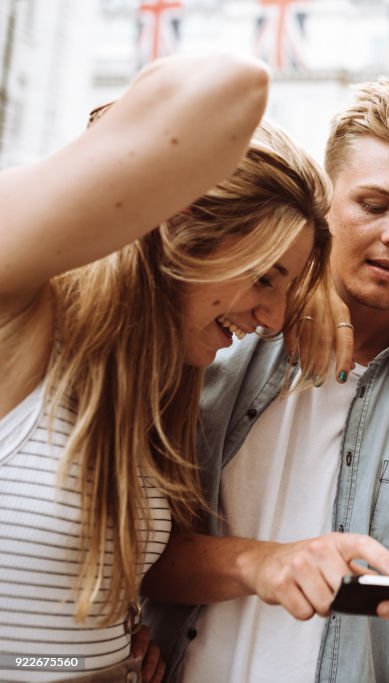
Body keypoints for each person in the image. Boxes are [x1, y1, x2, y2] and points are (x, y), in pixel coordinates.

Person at [143, 78, 389, 683]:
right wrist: (264, 564)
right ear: (326, 201)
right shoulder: (218, 344)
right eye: (373, 204)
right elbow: (140, 558)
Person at [0, 54, 339, 681]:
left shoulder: (156, 384)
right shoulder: (19, 313)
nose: (272, 319)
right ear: (179, 223)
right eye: (264, 278)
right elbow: (232, 86)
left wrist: (101, 660)